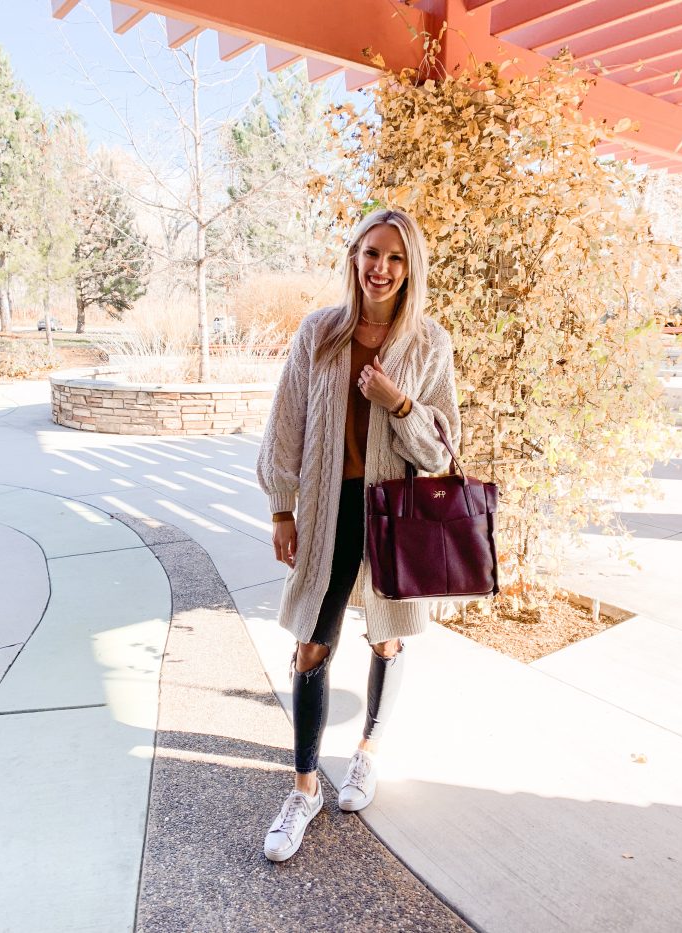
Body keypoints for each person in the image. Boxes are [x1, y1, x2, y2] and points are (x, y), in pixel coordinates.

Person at [256, 207, 461, 862]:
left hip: (395, 513)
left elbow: (440, 451)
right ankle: (305, 786)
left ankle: (367, 752)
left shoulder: (429, 344)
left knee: (388, 634)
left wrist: (399, 401)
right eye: (371, 252)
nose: (381, 267)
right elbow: (285, 422)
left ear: (411, 268)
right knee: (312, 645)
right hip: (326, 510)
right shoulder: (320, 332)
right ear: (354, 256)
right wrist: (281, 510)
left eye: (396, 257)